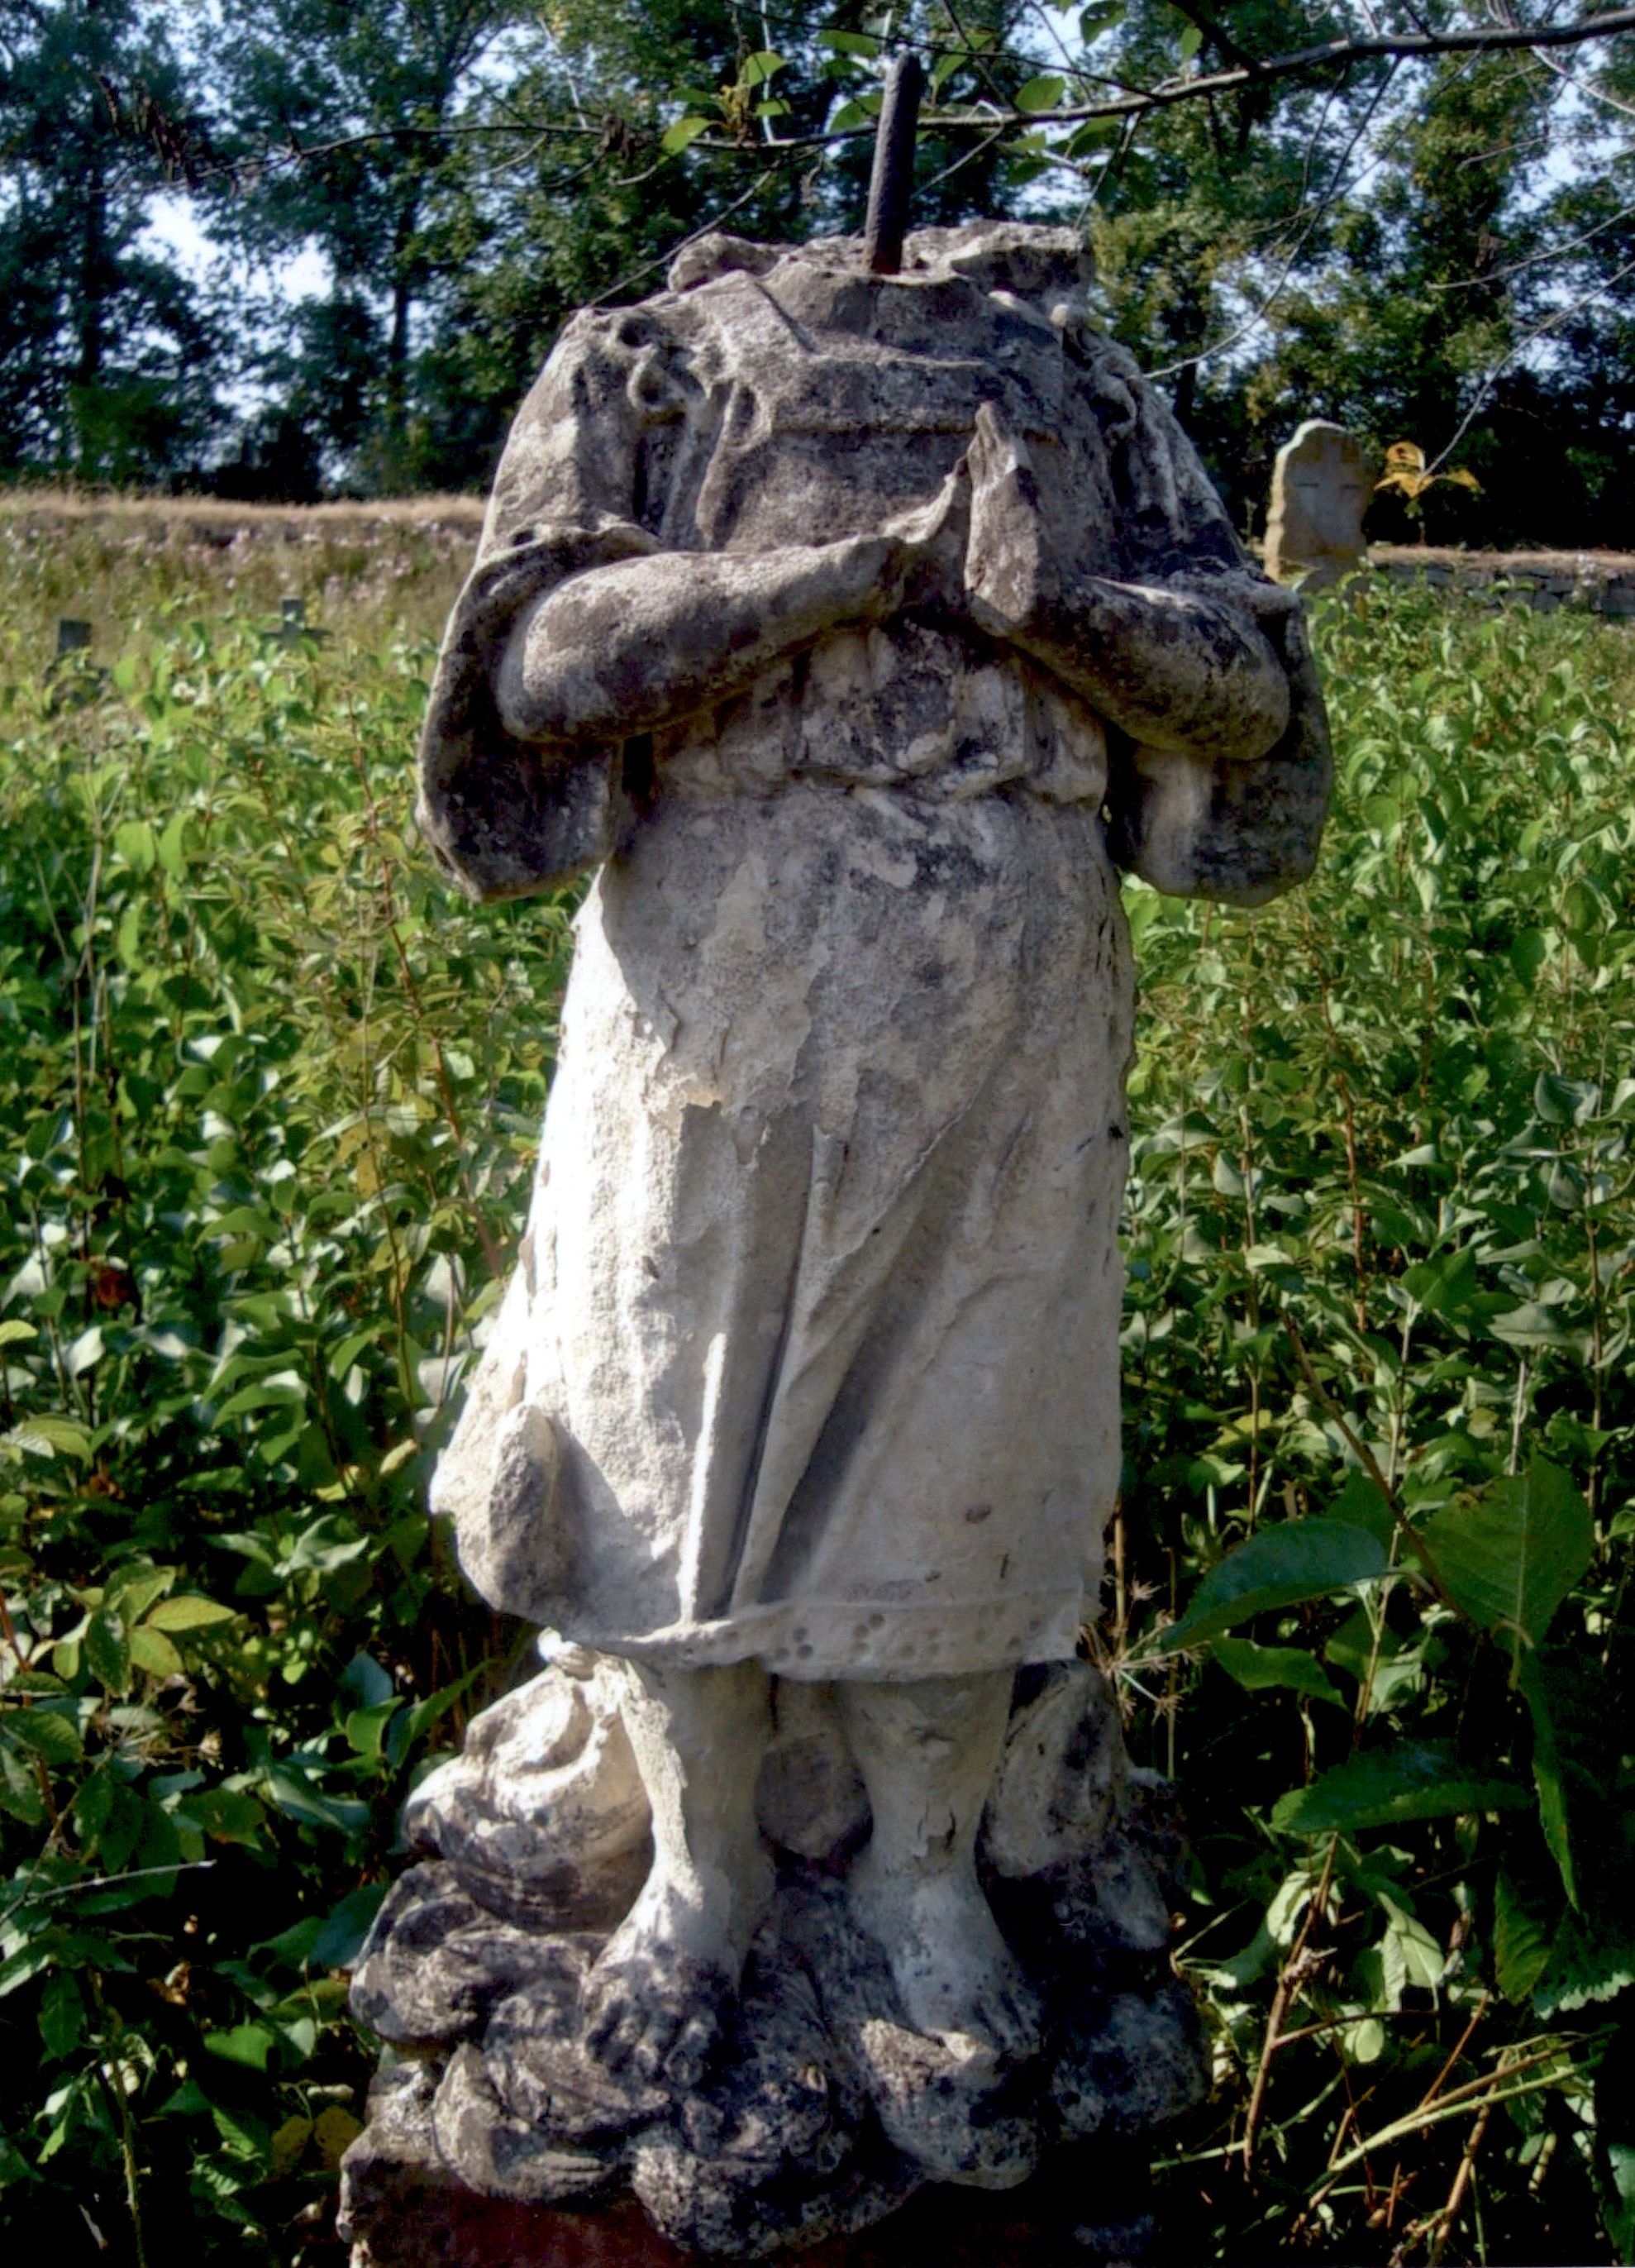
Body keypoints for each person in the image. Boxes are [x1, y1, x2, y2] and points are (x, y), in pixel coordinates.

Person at [417, 221, 1329, 2088]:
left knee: (964, 1438)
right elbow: (537, 658)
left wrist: (1041, 608)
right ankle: (698, 1873)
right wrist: (820, 580)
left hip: (1000, 988)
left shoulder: (1076, 382)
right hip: (713, 981)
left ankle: (923, 1873)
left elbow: (1234, 679)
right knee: (679, 1442)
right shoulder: (653, 358)